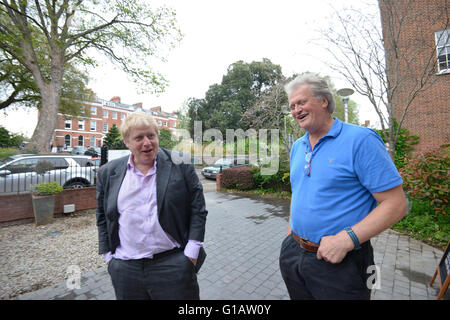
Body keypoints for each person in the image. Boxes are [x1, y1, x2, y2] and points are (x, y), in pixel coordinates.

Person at [279, 73, 407, 300]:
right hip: (294, 255)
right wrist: (291, 233)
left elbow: (396, 204)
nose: (296, 110)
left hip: (343, 261)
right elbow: (298, 192)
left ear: (323, 101)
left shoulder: (361, 140)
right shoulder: (297, 147)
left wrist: (347, 239)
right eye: (292, 106)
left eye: (301, 102)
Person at [96, 111, 207, 300]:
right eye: (139, 137)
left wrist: (191, 253)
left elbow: (198, 209)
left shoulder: (180, 163)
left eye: (151, 135)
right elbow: (101, 216)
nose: (147, 142)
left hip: (173, 264)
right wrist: (109, 257)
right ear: (127, 142)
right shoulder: (108, 172)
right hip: (125, 268)